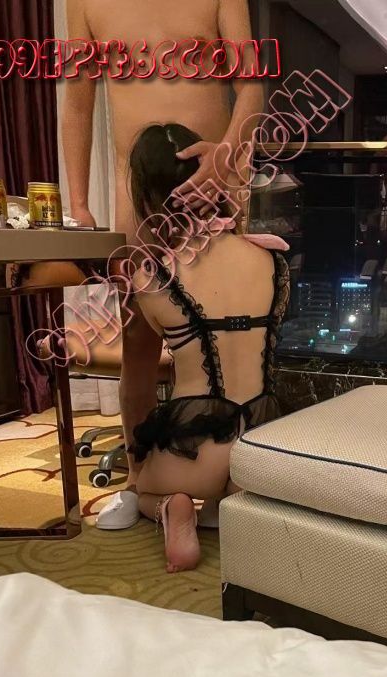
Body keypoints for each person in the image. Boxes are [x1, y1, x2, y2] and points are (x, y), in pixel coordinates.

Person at [62, 0, 264, 530]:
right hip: (139, 198)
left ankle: (225, 478)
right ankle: (137, 478)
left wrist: (225, 155)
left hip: (213, 183)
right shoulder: (86, 3)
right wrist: (79, 203)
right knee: (139, 346)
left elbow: (251, 87)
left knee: (226, 337)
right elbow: (78, 101)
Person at [125, 123, 289, 572]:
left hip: (194, 453)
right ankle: (235, 500)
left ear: (148, 199)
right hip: (262, 445)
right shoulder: (273, 260)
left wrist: (137, 470)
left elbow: (137, 387)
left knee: (146, 491)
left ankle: (171, 507)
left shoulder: (151, 276)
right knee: (248, 480)